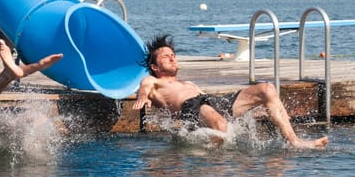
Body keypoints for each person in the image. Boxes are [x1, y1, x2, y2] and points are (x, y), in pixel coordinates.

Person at [132, 33, 328, 149]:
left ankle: (294, 141)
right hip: (191, 107)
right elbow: (144, 88)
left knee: (267, 89)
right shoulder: (153, 81)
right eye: (166, 57)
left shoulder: (188, 82)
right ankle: (216, 159)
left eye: (173, 55)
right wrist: (143, 98)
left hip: (208, 101)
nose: (173, 59)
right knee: (221, 125)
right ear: (155, 67)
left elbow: (206, 102)